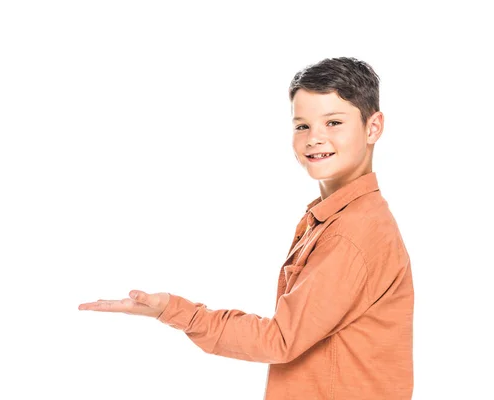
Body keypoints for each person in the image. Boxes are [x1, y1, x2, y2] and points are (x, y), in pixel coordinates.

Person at [78, 56, 414, 400]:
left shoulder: (354, 232)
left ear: (373, 127)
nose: (315, 138)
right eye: (302, 126)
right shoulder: (337, 219)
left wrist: (172, 310)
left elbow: (280, 340)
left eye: (333, 122)